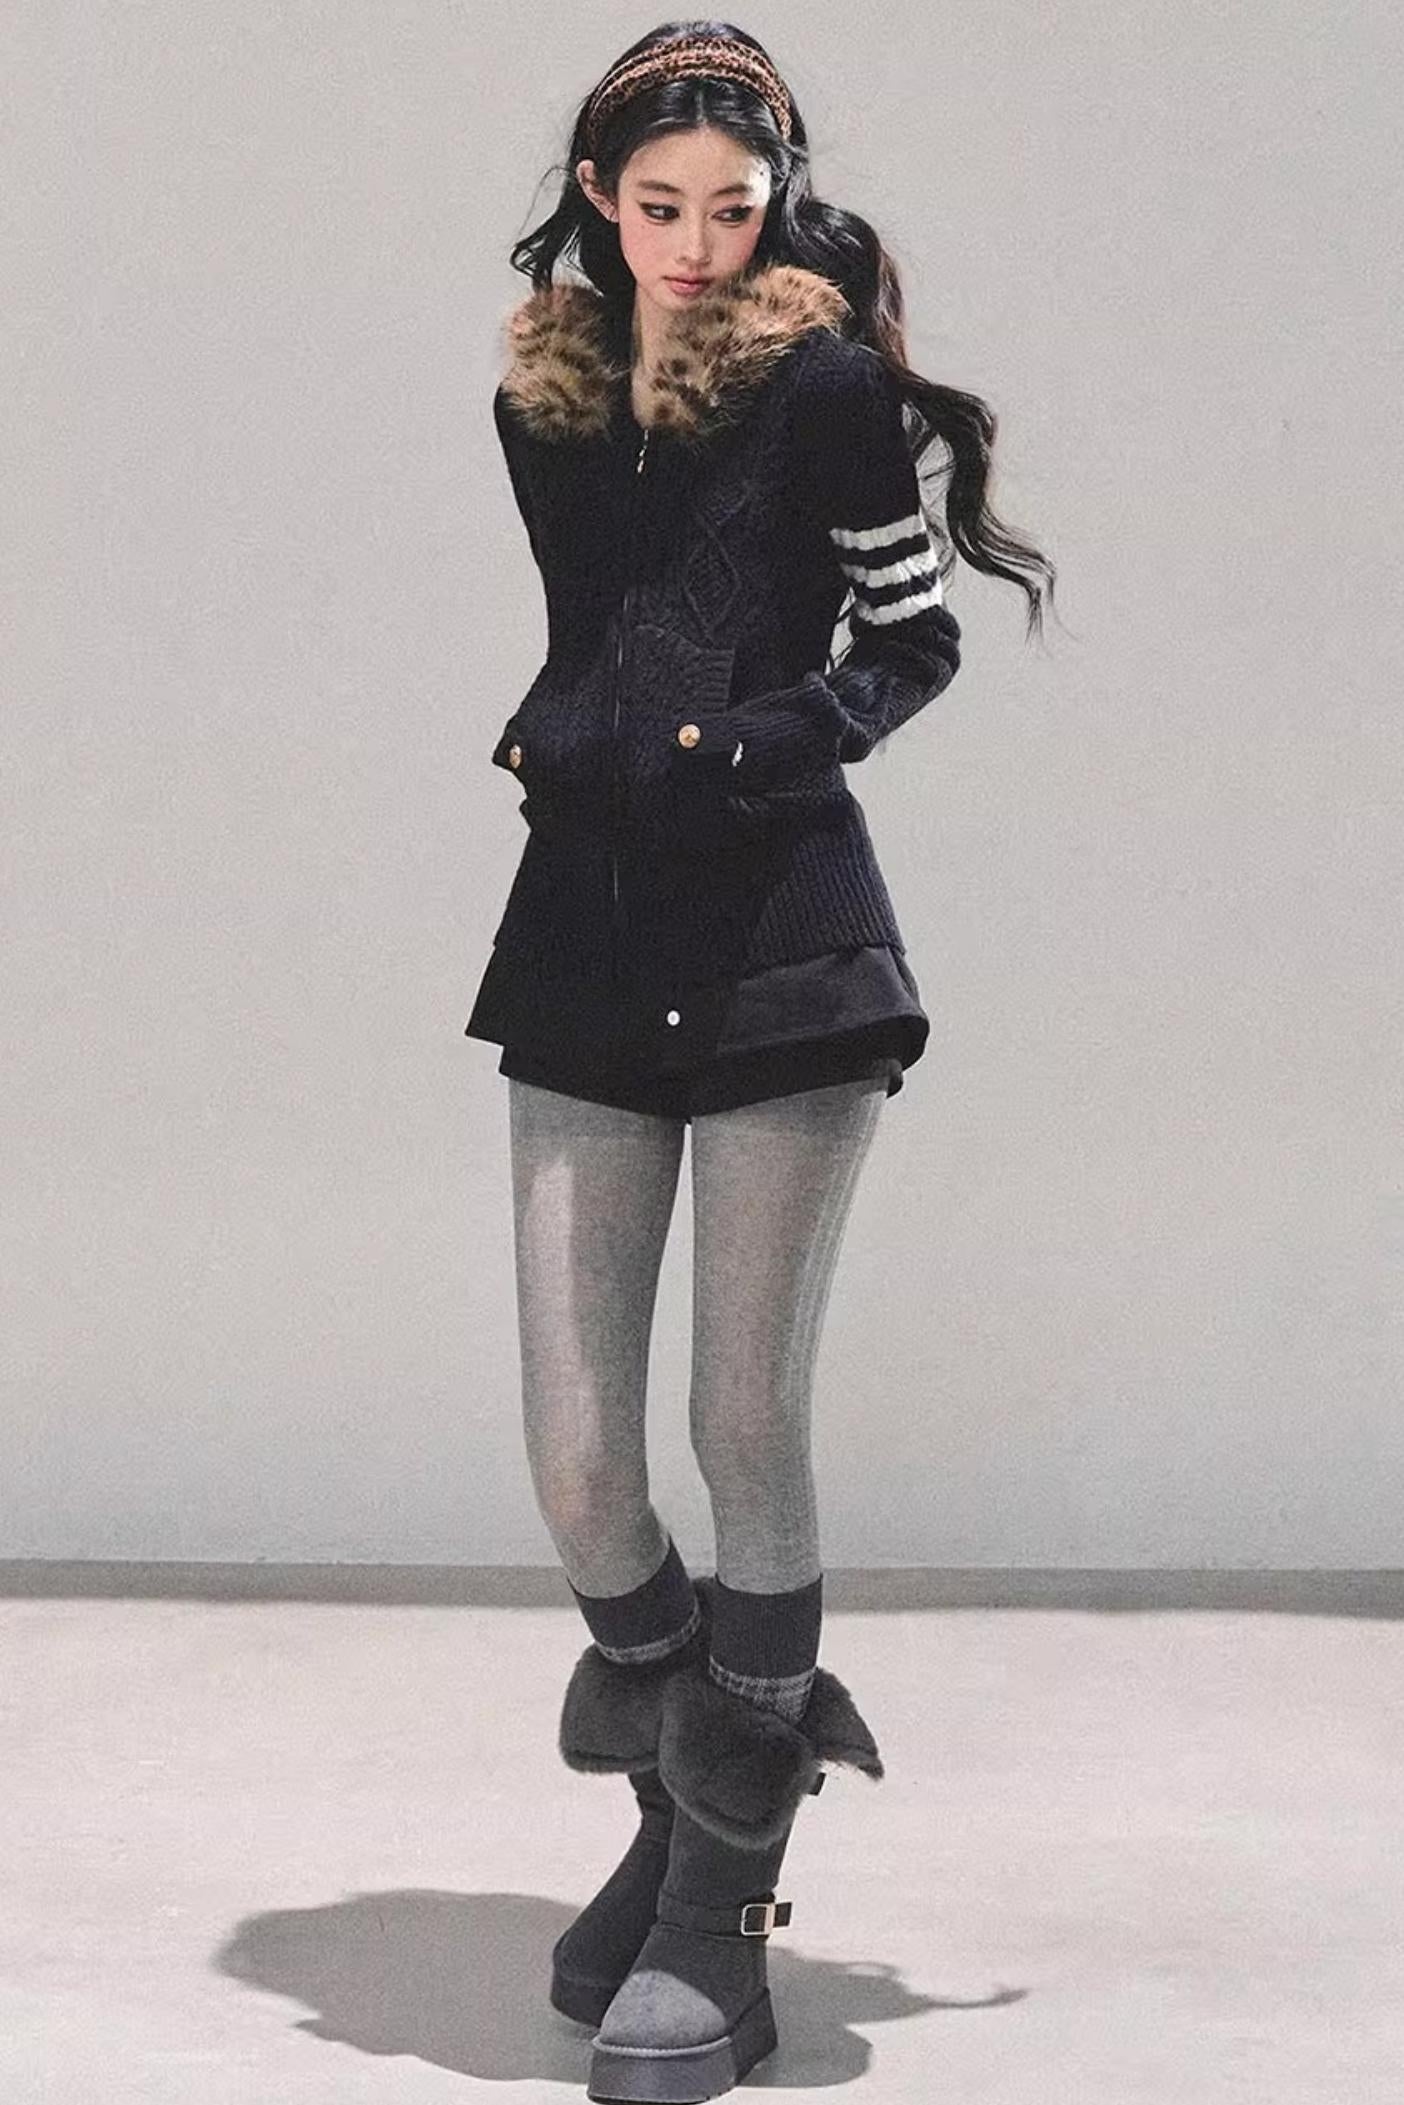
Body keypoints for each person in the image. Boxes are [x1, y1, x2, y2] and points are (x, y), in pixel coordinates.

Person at [464, 22, 1057, 2100]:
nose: (698, 244)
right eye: (661, 207)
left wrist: (744, 745)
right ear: (599, 198)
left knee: (742, 1416)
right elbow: (597, 627)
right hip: (584, 926)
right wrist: (564, 726)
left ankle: (719, 1896)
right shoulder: (543, 397)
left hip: (787, 938)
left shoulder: (822, 393)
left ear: (774, 203)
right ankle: (692, 1777)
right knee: (578, 1461)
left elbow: (912, 634)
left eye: (734, 208)